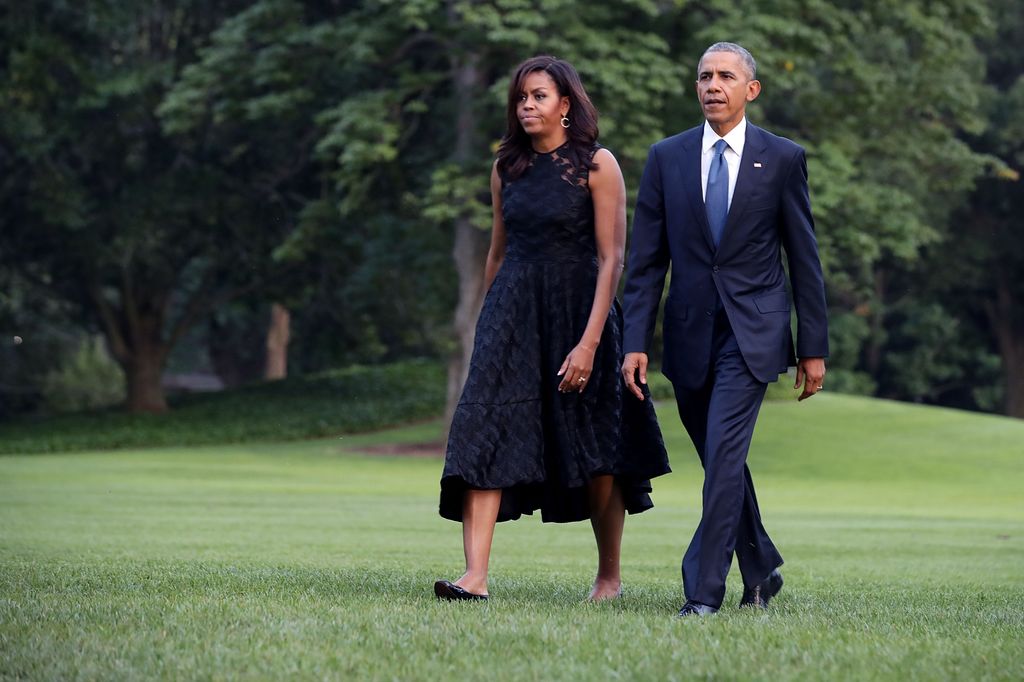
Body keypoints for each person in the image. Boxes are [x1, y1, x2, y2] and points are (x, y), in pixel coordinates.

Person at [435, 56, 671, 603]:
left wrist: (590, 343)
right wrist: (488, 327)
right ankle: (475, 577)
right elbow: (497, 251)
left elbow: (613, 259)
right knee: (483, 431)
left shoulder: (597, 164)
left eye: (538, 96)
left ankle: (608, 577)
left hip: (579, 312)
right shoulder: (504, 168)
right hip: (512, 315)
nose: (526, 106)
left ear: (565, 105)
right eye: (521, 98)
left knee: (597, 450)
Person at [620, 42, 828, 617]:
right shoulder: (667, 157)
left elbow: (803, 258)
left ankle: (702, 593)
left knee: (725, 454)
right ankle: (760, 566)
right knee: (722, 460)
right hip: (687, 336)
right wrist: (633, 340)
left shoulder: (783, 158)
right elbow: (645, 262)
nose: (714, 85)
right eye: (705, 76)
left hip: (753, 334)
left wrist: (813, 347)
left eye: (727, 77)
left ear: (750, 90)